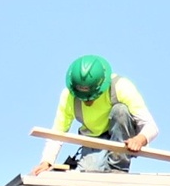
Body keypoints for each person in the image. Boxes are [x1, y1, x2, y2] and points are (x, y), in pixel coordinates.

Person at [30, 55, 159, 176]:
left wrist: (139, 139)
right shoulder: (69, 96)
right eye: (83, 98)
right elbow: (57, 134)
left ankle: (118, 168)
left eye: (91, 97)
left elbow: (151, 126)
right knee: (90, 175)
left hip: (121, 136)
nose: (87, 101)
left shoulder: (121, 86)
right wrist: (46, 161)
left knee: (120, 110)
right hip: (94, 140)